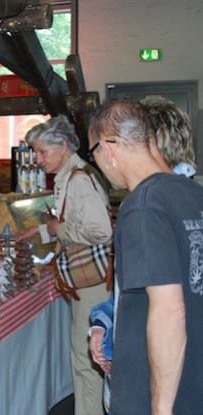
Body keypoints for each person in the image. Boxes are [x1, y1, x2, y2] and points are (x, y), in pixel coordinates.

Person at [87, 97, 203, 415]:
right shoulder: (194, 194)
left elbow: (169, 311)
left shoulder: (143, 204)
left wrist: (161, 409)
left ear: (107, 150)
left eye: (93, 153)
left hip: (156, 392)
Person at [15, 115, 112, 415]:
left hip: (92, 287)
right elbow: (73, 221)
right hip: (89, 284)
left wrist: (58, 231)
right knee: (86, 361)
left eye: (43, 152)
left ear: (64, 145)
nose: (38, 159)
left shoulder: (79, 179)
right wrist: (43, 231)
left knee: (87, 363)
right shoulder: (71, 176)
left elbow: (102, 230)